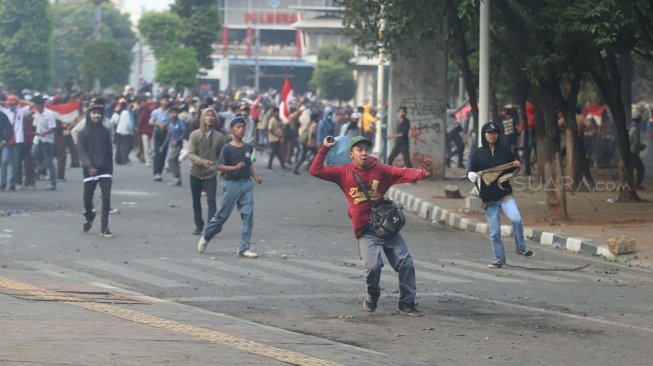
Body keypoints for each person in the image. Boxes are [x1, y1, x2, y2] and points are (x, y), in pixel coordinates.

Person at [310, 135, 433, 316]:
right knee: (374, 267)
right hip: (366, 231)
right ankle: (373, 295)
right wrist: (324, 148)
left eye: (367, 149)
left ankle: (406, 303)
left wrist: (423, 174)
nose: (364, 153)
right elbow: (315, 170)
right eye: (359, 150)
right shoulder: (342, 172)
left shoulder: (380, 169)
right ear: (350, 154)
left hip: (386, 226)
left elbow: (401, 173)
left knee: (405, 262)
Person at [467, 122, 534, 269]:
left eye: (495, 132)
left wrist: (516, 165)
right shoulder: (478, 153)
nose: (493, 135)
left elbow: (511, 169)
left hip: (505, 194)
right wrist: (471, 175)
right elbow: (471, 171)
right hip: (488, 198)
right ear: (484, 135)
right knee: (495, 232)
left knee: (516, 219)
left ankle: (521, 247)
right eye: (489, 132)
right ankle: (499, 259)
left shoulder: (505, 150)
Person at [197, 116, 263, 258]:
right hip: (232, 184)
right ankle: (206, 237)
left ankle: (244, 248)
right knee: (222, 216)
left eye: (243, 127)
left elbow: (249, 164)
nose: (241, 129)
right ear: (232, 130)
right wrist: (233, 168)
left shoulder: (248, 148)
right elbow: (219, 166)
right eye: (238, 127)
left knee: (248, 216)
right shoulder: (227, 148)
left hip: (246, 184)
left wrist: (254, 176)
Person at [76, 102, 114, 238]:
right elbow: (81, 152)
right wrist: (89, 166)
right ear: (89, 114)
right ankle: (89, 215)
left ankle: (105, 228)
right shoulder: (82, 133)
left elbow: (109, 151)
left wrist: (110, 169)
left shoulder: (105, 132)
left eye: (99, 113)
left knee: (106, 200)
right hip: (89, 170)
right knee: (87, 199)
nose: (96, 115)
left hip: (105, 169)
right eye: (93, 113)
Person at [188, 108, 225, 235]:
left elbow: (222, 154)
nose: (210, 117)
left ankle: (211, 226)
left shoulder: (219, 137)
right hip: (195, 172)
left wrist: (220, 166)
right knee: (196, 201)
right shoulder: (194, 135)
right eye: (207, 115)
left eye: (212, 116)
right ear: (203, 118)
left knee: (211, 200)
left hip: (211, 173)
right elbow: (191, 154)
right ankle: (199, 225)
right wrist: (203, 161)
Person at [0, 95, 31, 191]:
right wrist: (6, 102)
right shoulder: (4, 112)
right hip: (6, 141)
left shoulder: (21, 112)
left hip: (17, 140)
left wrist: (18, 100)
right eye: (10, 104)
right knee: (4, 162)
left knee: (15, 163)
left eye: (14, 104)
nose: (12, 106)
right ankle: (3, 183)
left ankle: (12, 184)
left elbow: (32, 105)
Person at [30, 95, 57, 191]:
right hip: (37, 140)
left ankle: (53, 184)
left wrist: (44, 133)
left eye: (35, 105)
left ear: (40, 105)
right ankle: (31, 182)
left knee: (49, 162)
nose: (34, 107)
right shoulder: (36, 114)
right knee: (32, 160)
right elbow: (34, 126)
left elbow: (52, 128)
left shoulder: (49, 114)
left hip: (47, 140)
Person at [161, 105, 186, 186]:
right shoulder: (171, 123)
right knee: (174, 160)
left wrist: (177, 140)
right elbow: (168, 136)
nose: (173, 114)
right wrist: (163, 146)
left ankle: (176, 176)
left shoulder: (181, 122)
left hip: (178, 144)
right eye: (171, 113)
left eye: (174, 113)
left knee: (171, 159)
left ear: (177, 113)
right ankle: (178, 179)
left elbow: (184, 133)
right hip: (171, 144)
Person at [150, 95, 171, 181]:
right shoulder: (156, 112)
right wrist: (158, 124)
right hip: (158, 133)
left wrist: (168, 126)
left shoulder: (170, 112)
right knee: (158, 153)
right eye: (164, 100)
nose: (165, 102)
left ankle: (160, 172)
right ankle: (156, 173)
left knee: (163, 154)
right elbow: (150, 122)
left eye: (167, 100)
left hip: (166, 133)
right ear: (161, 101)